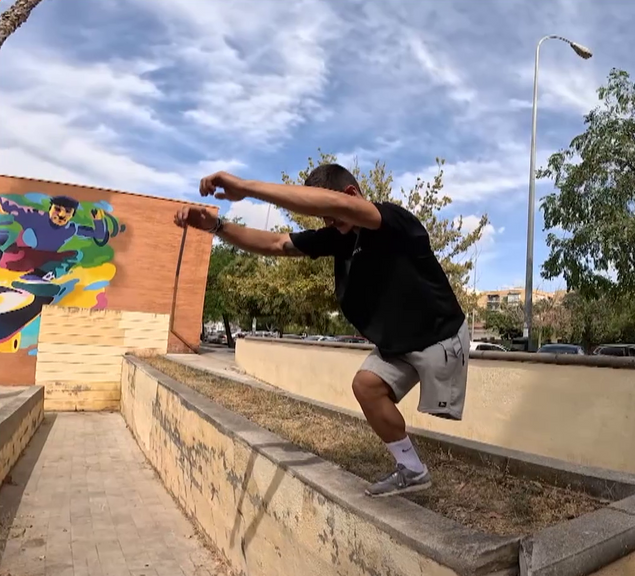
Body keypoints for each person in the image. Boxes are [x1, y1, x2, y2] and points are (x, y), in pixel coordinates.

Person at [173, 165, 469, 498]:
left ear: (351, 196)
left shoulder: (391, 221)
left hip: (438, 337)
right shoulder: (340, 239)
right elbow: (275, 243)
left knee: (438, 412)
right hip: (398, 343)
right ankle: (413, 470)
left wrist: (246, 187)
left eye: (330, 214)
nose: (329, 224)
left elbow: (332, 207)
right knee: (366, 386)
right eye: (325, 220)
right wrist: (217, 226)